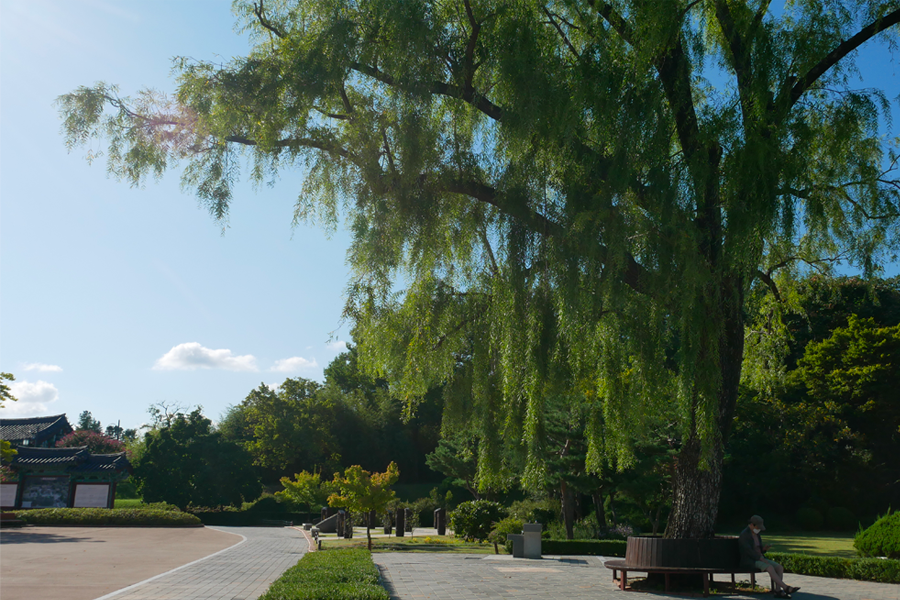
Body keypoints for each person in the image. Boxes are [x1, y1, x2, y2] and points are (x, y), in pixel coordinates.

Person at [739, 515, 800, 598]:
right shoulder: (744, 535)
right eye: (758, 527)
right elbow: (748, 551)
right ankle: (786, 587)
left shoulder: (757, 534)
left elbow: (759, 550)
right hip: (750, 560)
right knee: (770, 567)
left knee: (779, 567)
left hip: (760, 558)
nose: (759, 530)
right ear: (752, 525)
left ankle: (778, 591)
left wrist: (764, 549)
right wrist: (761, 558)